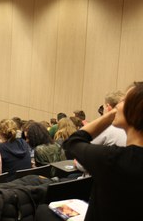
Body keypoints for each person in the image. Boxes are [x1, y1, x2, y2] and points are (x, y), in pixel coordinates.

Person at [42, 81, 143, 221]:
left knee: (42, 211)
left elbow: (72, 143)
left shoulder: (113, 159)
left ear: (134, 112)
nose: (118, 105)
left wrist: (108, 115)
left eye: (124, 101)